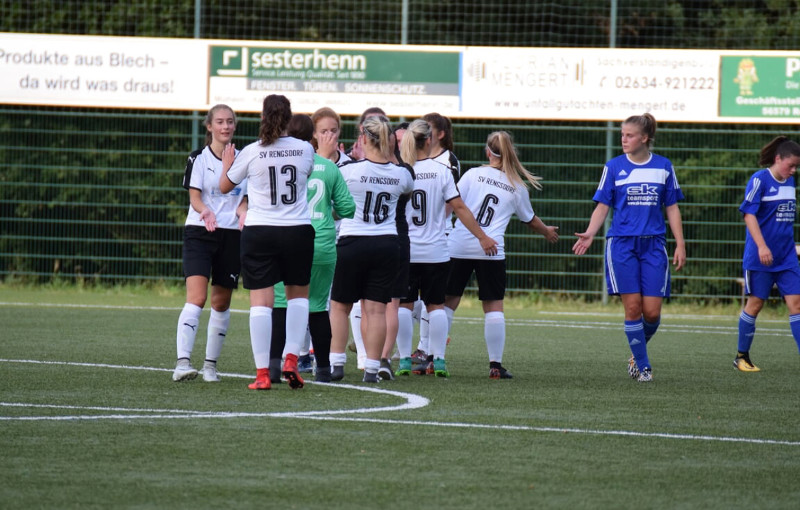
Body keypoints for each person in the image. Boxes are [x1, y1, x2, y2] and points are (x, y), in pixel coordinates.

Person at [572, 113, 685, 383]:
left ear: (644, 138)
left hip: (654, 245)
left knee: (653, 313)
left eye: (630, 135)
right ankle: (644, 367)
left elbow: (672, 206)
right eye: (622, 134)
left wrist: (680, 243)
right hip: (621, 245)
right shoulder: (613, 167)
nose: (624, 139)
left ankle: (636, 352)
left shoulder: (663, 166)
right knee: (633, 309)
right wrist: (590, 233)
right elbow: (603, 206)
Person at [444, 130, 559, 379]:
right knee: (494, 307)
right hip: (492, 250)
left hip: (459, 245)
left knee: (447, 303)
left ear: (488, 152)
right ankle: (495, 366)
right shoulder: (517, 186)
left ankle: (435, 359)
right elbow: (530, 220)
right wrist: (546, 232)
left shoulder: (472, 174)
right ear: (510, 153)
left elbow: (453, 203)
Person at [220, 94, 315, 390]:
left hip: (260, 231)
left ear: (263, 118)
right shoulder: (304, 149)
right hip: (297, 230)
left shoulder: (251, 151)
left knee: (261, 303)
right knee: (298, 297)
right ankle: (290, 358)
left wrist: (227, 164)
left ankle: (262, 374)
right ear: (289, 119)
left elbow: (224, 186)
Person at [395, 119, 497, 377]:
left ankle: (405, 360)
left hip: (406, 250)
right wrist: (482, 236)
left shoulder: (401, 171)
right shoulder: (442, 171)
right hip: (436, 250)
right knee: (436, 306)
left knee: (404, 306)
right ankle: (438, 359)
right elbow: (460, 208)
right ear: (429, 140)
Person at [268, 113, 356, 383]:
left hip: (286, 242)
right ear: (312, 137)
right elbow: (348, 208)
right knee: (318, 307)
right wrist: (327, 211)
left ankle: (273, 366)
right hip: (321, 243)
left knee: (282, 304)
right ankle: (323, 369)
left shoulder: (278, 163)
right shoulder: (328, 167)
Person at [328, 114, 415, 383]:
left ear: (364, 138)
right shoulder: (402, 174)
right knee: (376, 309)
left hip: (353, 241)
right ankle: (372, 368)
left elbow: (334, 208)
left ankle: (337, 364)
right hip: (387, 244)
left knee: (340, 306)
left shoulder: (347, 171)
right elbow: (406, 191)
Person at [173, 104, 247, 383]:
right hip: (200, 231)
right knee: (198, 297)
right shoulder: (198, 159)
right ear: (209, 126)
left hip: (231, 234)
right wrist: (205, 210)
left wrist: (243, 211)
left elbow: (245, 199)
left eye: (230, 122)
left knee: (221, 301)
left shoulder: (244, 159)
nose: (226, 126)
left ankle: (210, 367)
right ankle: (182, 363)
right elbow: (195, 197)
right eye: (220, 122)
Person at [734, 136, 800, 372]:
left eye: (796, 167)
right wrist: (762, 246)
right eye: (790, 165)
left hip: (786, 258)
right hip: (760, 257)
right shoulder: (759, 180)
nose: (793, 171)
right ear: (778, 158)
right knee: (755, 304)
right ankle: (741, 356)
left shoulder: (789, 183)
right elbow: (748, 215)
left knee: (797, 304)